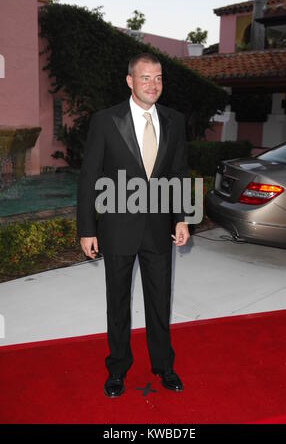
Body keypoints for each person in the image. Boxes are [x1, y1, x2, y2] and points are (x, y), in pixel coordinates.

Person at [77, 52, 190, 398]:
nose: (153, 85)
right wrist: (87, 228)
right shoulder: (106, 120)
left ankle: (164, 366)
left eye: (158, 78)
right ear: (130, 81)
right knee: (118, 303)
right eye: (145, 78)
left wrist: (182, 217)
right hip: (117, 227)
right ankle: (117, 370)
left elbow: (178, 172)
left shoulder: (174, 120)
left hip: (158, 228)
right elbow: (89, 177)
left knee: (160, 301)